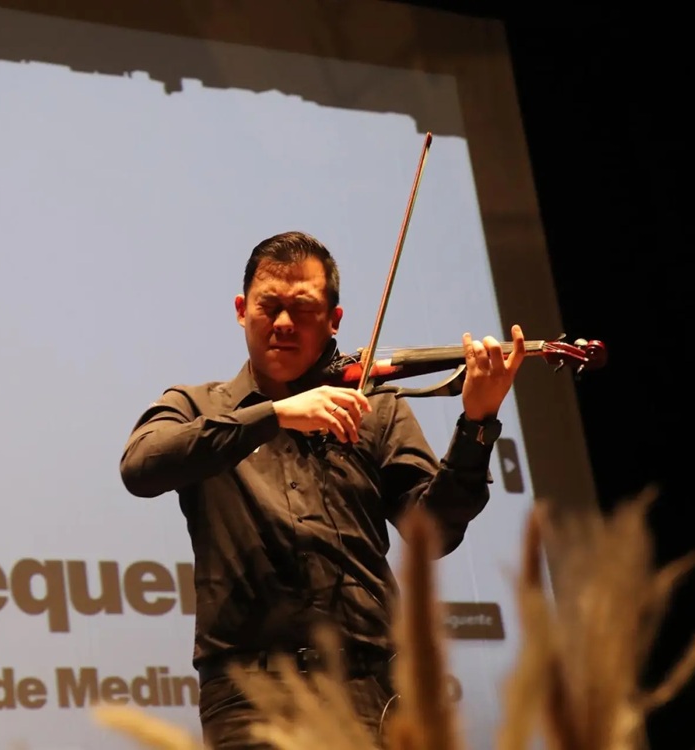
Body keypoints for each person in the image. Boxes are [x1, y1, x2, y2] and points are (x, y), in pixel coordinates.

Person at [119, 231, 526, 748]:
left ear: (334, 321)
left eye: (303, 309)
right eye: (270, 306)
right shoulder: (199, 407)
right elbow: (140, 466)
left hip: (373, 690)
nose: (284, 323)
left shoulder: (377, 408)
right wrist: (275, 416)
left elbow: (436, 533)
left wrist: (477, 422)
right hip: (251, 697)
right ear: (242, 310)